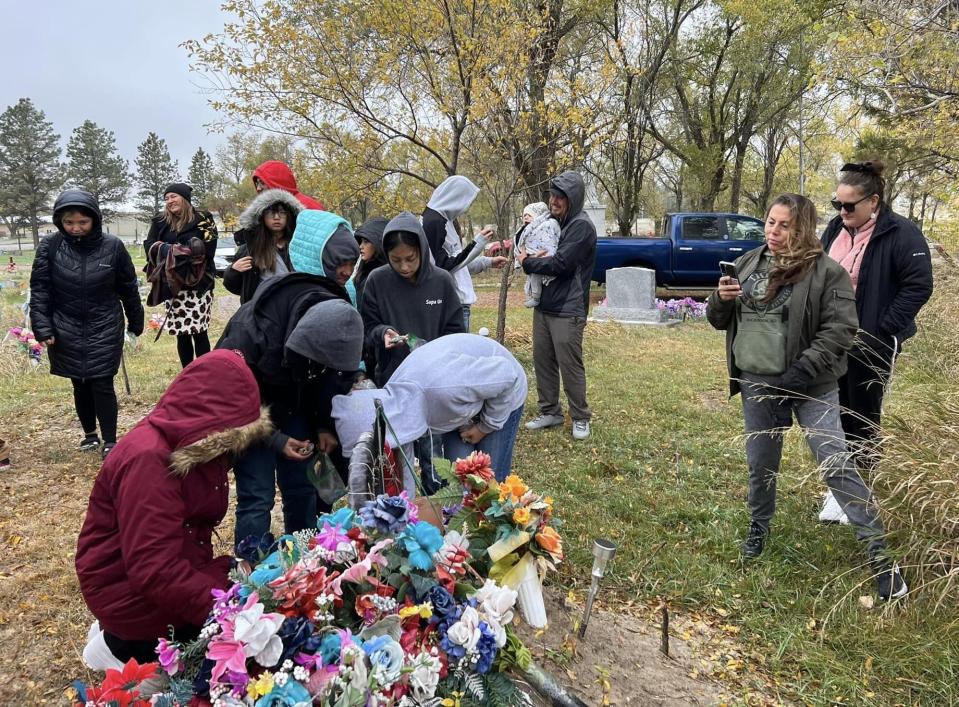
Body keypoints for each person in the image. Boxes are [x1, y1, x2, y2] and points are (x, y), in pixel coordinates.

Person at [706, 192, 907, 601]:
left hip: (810, 385)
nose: (774, 231)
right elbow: (718, 320)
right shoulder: (748, 263)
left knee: (836, 465)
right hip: (758, 384)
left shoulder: (826, 272)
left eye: (784, 225)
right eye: (770, 222)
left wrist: (800, 373)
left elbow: (840, 330)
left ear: (803, 227)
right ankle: (758, 530)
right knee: (761, 464)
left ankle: (882, 559)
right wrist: (720, 299)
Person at [75, 349, 272, 667]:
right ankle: (116, 646)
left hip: (160, 572)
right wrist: (225, 609)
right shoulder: (149, 461)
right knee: (226, 649)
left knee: (244, 590)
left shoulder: (193, 447)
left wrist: (228, 579)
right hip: (126, 589)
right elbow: (155, 571)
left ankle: (120, 640)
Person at [217, 273, 363, 547]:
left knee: (303, 487)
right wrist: (275, 439)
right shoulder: (248, 333)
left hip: (296, 407)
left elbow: (327, 382)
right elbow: (229, 401)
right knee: (257, 495)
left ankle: (305, 561)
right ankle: (254, 572)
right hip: (249, 414)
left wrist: (322, 425)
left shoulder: (337, 323)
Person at [821, 161, 933, 471]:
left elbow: (919, 285)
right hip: (831, 335)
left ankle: (862, 478)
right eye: (837, 204)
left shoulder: (902, 233)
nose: (842, 211)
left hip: (871, 339)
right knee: (834, 404)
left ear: (873, 201)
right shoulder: (835, 228)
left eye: (848, 205)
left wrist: (882, 329)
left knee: (863, 410)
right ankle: (840, 475)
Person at [29, 190, 144, 459]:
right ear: (60, 222)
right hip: (65, 326)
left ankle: (110, 440)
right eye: (69, 222)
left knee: (102, 382)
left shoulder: (113, 246)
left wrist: (135, 321)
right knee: (79, 382)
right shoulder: (51, 246)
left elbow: (128, 287)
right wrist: (42, 327)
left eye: (82, 222)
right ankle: (90, 434)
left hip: (104, 324)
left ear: (94, 219)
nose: (76, 228)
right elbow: (41, 289)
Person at [333, 333, 527, 486]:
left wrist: (485, 427)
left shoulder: (444, 386)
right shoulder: (396, 415)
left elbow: (507, 375)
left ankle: (490, 532)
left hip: (501, 390)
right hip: (461, 401)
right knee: (459, 480)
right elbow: (403, 466)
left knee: (490, 482)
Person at [361, 212, 466, 492]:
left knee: (434, 457)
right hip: (394, 383)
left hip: (434, 384)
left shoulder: (441, 281)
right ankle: (401, 511)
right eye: (396, 260)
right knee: (398, 457)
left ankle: (439, 509)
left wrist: (436, 351)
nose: (404, 266)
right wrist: (382, 332)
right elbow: (367, 327)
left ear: (421, 249)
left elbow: (457, 331)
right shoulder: (377, 281)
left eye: (410, 258)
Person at [518, 171, 597, 441]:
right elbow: (530, 240)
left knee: (570, 365)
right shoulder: (552, 221)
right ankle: (550, 411)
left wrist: (528, 262)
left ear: (572, 199)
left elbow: (561, 264)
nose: (554, 201)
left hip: (568, 307)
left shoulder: (581, 226)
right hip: (545, 305)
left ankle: (581, 417)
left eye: (560, 197)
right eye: (552, 195)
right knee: (543, 361)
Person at [144, 183, 218, 368]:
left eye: (173, 197)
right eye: (166, 198)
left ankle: (204, 373)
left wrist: (182, 253)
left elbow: (209, 249)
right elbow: (149, 245)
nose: (169, 201)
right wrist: (170, 249)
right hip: (173, 284)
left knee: (200, 332)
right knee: (181, 333)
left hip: (198, 284)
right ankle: (187, 375)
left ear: (184, 198)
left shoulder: (203, 219)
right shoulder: (160, 221)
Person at [422, 175, 507, 330]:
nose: (466, 207)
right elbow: (445, 267)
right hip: (450, 305)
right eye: (466, 200)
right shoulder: (434, 223)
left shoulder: (444, 221)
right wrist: (477, 243)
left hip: (458, 303)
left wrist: (487, 262)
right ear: (455, 197)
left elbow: (458, 263)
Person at [225, 189, 303, 304]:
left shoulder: (300, 246)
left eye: (282, 212)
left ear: (289, 215)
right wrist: (233, 271)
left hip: (296, 307)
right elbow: (238, 288)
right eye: (271, 212)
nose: (277, 217)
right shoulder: (249, 249)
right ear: (262, 216)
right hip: (262, 310)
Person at [288, 210, 361, 302]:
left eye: (353, 263)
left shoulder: (349, 288)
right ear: (318, 256)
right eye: (341, 263)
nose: (348, 272)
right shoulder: (293, 294)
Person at [516, 201, 561, 308]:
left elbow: (549, 241)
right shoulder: (529, 230)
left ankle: (536, 297)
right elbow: (533, 242)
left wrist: (539, 254)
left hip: (543, 260)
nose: (526, 217)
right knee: (532, 276)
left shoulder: (547, 225)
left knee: (535, 275)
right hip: (532, 259)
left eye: (529, 215)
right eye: (524, 215)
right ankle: (531, 296)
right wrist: (529, 253)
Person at [252, 160, 324, 209]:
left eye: (262, 183)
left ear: (277, 183)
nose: (258, 188)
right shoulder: (272, 209)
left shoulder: (307, 207)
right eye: (257, 183)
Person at [354, 216, 389, 307]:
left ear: (378, 243)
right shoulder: (363, 271)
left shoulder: (384, 276)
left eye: (366, 241)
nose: (361, 246)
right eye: (361, 241)